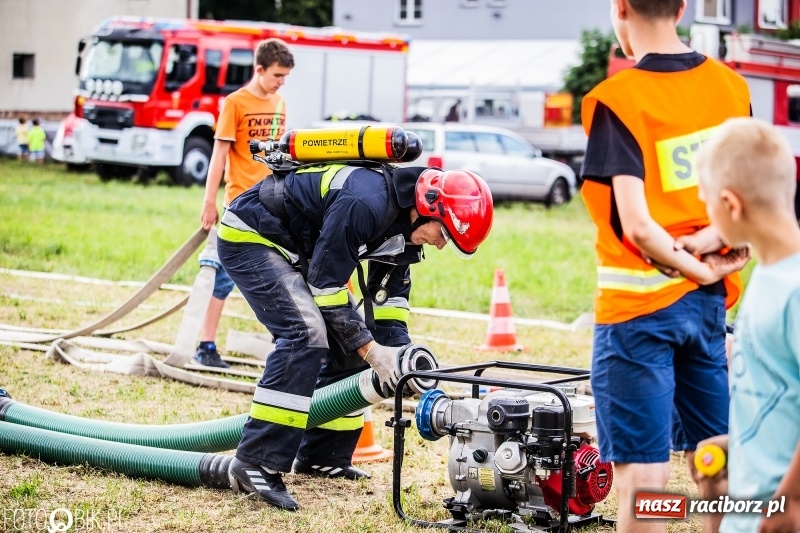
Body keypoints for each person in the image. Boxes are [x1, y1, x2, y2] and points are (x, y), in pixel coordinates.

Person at [217, 163, 494, 510]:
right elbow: (326, 286)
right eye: (444, 235)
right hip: (254, 236)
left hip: (300, 249)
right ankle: (255, 463)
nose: (440, 246)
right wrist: (373, 352)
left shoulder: (404, 229)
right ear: (428, 208)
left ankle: (323, 455)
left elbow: (388, 304)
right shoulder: (364, 202)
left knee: (350, 340)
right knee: (306, 335)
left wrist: (402, 358)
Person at [579, 1, 752, 532]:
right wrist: (709, 249)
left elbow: (637, 225)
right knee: (719, 456)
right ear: (681, 6)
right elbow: (743, 198)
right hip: (707, 309)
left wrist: (688, 266)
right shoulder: (730, 88)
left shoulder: (618, 100)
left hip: (637, 314)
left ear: (620, 9)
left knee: (645, 472)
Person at [693, 118, 800, 533]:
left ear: (731, 205)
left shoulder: (793, 286)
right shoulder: (768, 273)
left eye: (707, 204)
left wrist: (790, 503)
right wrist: (737, 448)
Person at [196, 38, 293, 368]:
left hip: (273, 204)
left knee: (279, 274)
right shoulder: (235, 103)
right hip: (240, 205)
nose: (281, 82)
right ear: (260, 69)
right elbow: (219, 155)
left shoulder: (280, 102)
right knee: (222, 275)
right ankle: (205, 344)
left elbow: (271, 152)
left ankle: (282, 345)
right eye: (277, 75)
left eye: (285, 77)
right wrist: (209, 202)